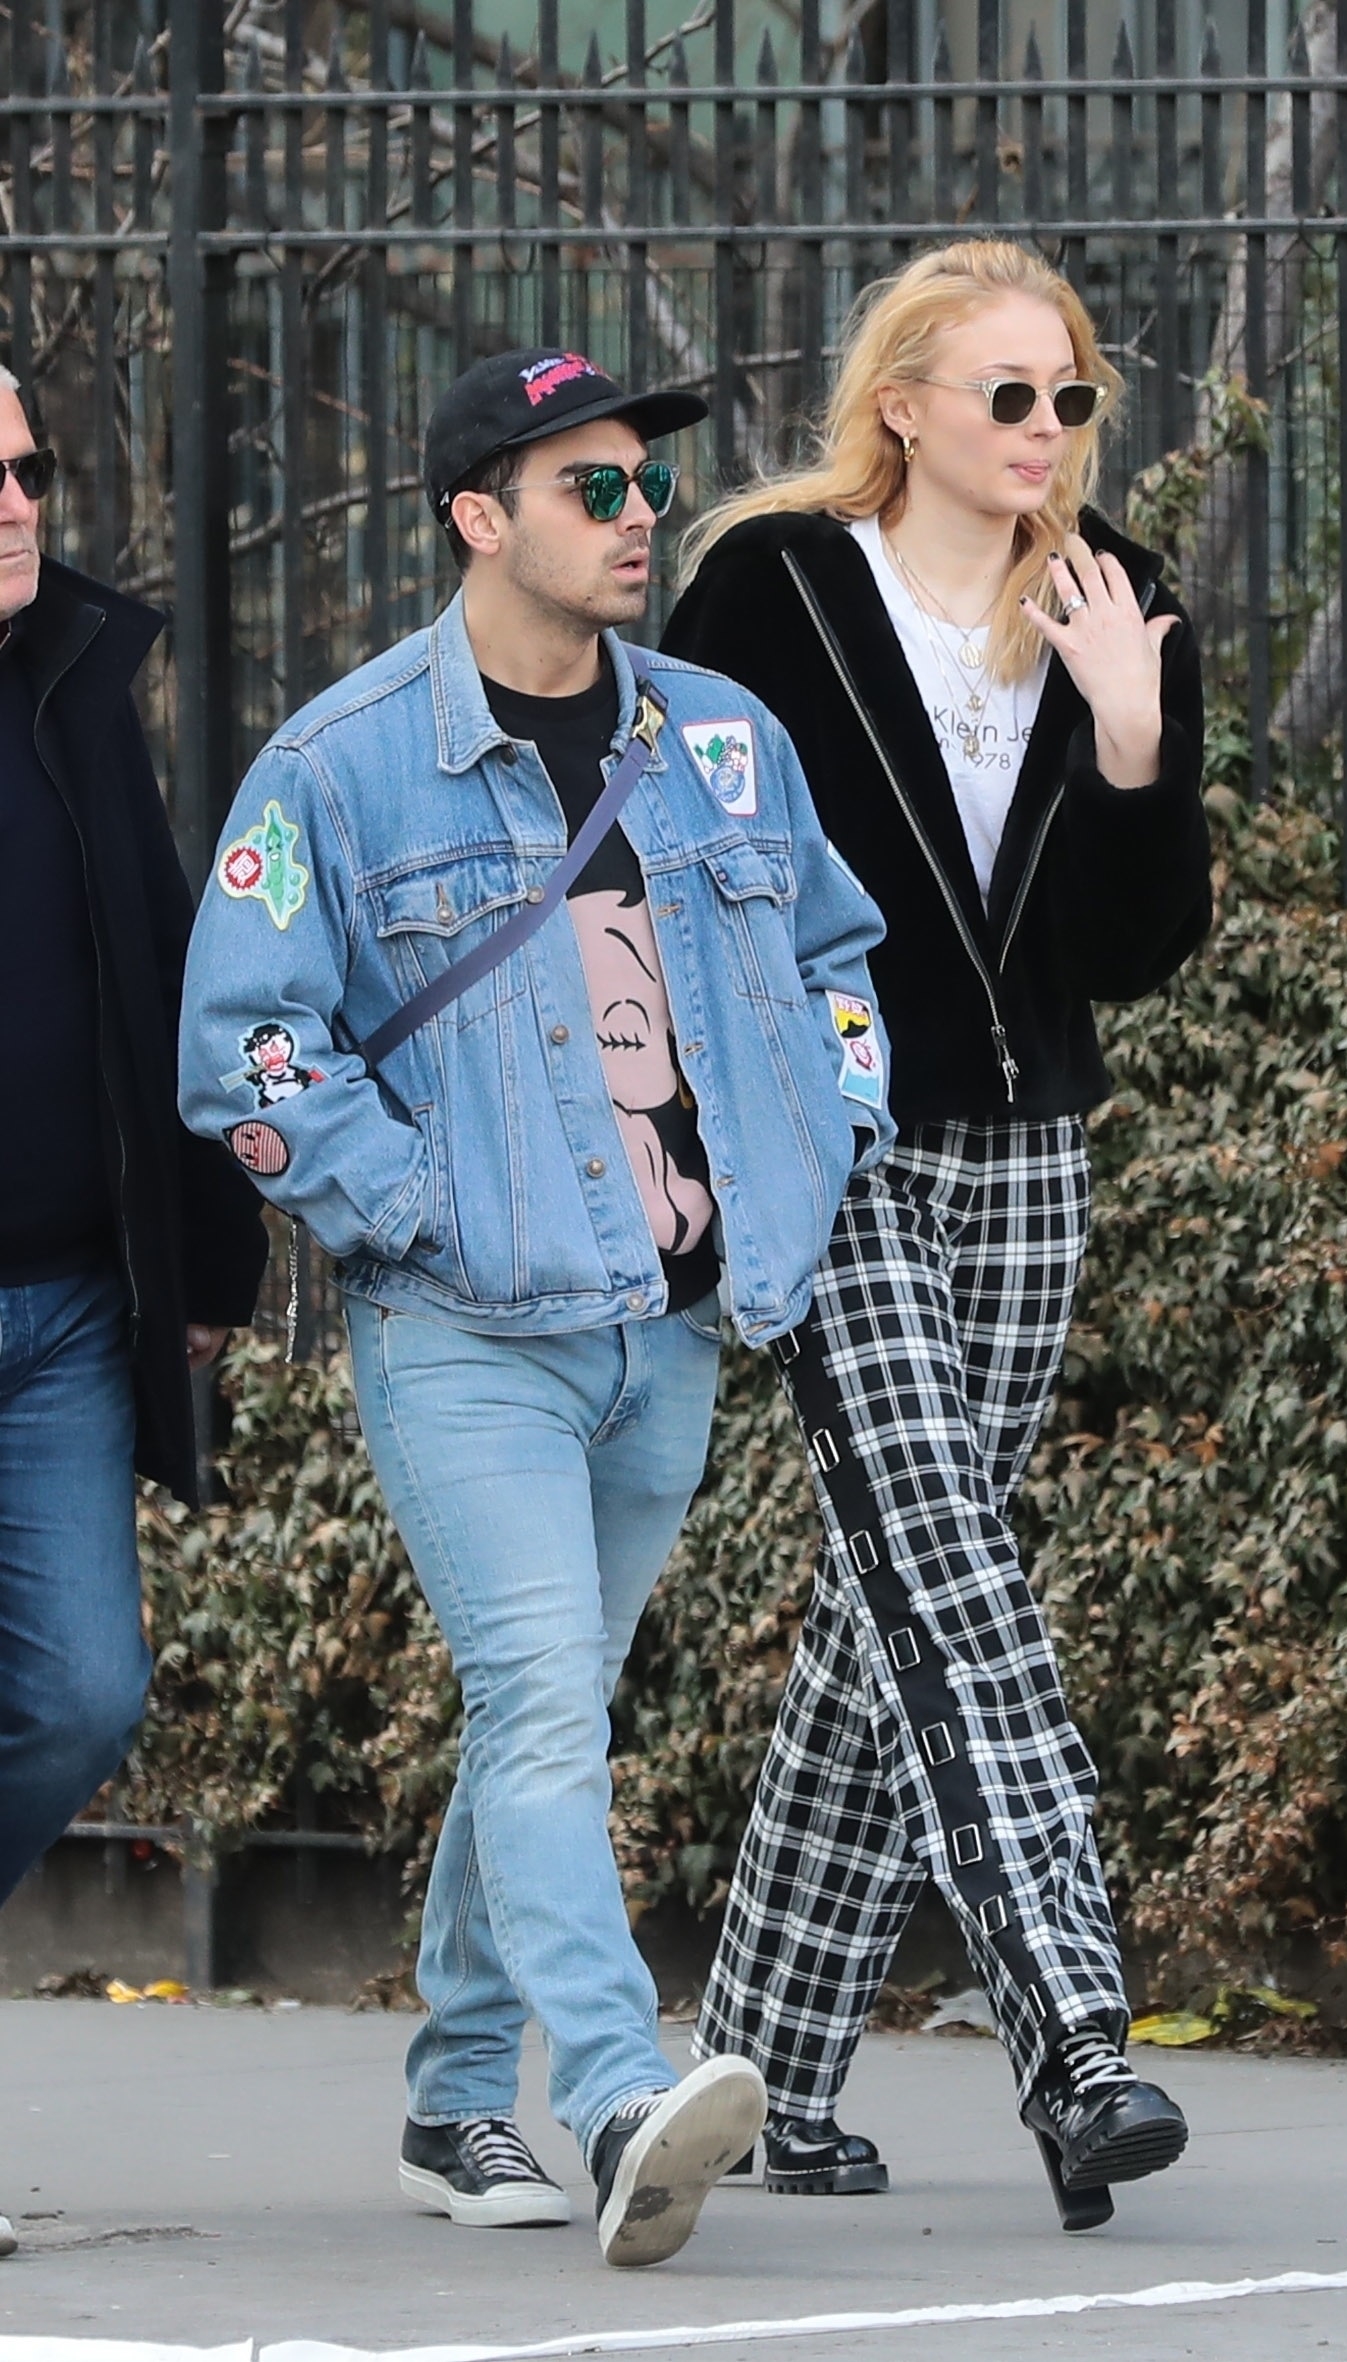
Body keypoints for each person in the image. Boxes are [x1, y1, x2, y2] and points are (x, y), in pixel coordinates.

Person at [178, 348, 894, 2269]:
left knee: (547, 1708)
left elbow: (840, 956)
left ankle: (448, 2094)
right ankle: (615, 2093)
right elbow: (245, 1051)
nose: (641, 514)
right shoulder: (338, 767)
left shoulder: (721, 735)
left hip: (673, 1323)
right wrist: (426, 1208)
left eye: (645, 483)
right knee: (543, 1695)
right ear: (477, 519)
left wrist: (824, 1133)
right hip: (467, 1335)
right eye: (593, 487)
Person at [661, 239, 1212, 2233]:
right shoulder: (772, 589)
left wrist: (1131, 735)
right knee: (953, 1569)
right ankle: (1078, 2037)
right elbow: (682, 865)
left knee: (895, 1582)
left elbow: (1135, 950)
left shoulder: (1114, 595)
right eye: (1010, 394)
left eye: (1073, 396)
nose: (1049, 429)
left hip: (1030, 1149)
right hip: (834, 1138)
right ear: (901, 405)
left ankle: (764, 2061)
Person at [0, 362, 269, 1919]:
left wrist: (209, 1251)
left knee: (85, 1694)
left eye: (29, 471)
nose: (17, 505)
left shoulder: (76, 681)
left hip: (67, 1312)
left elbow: (165, 968)